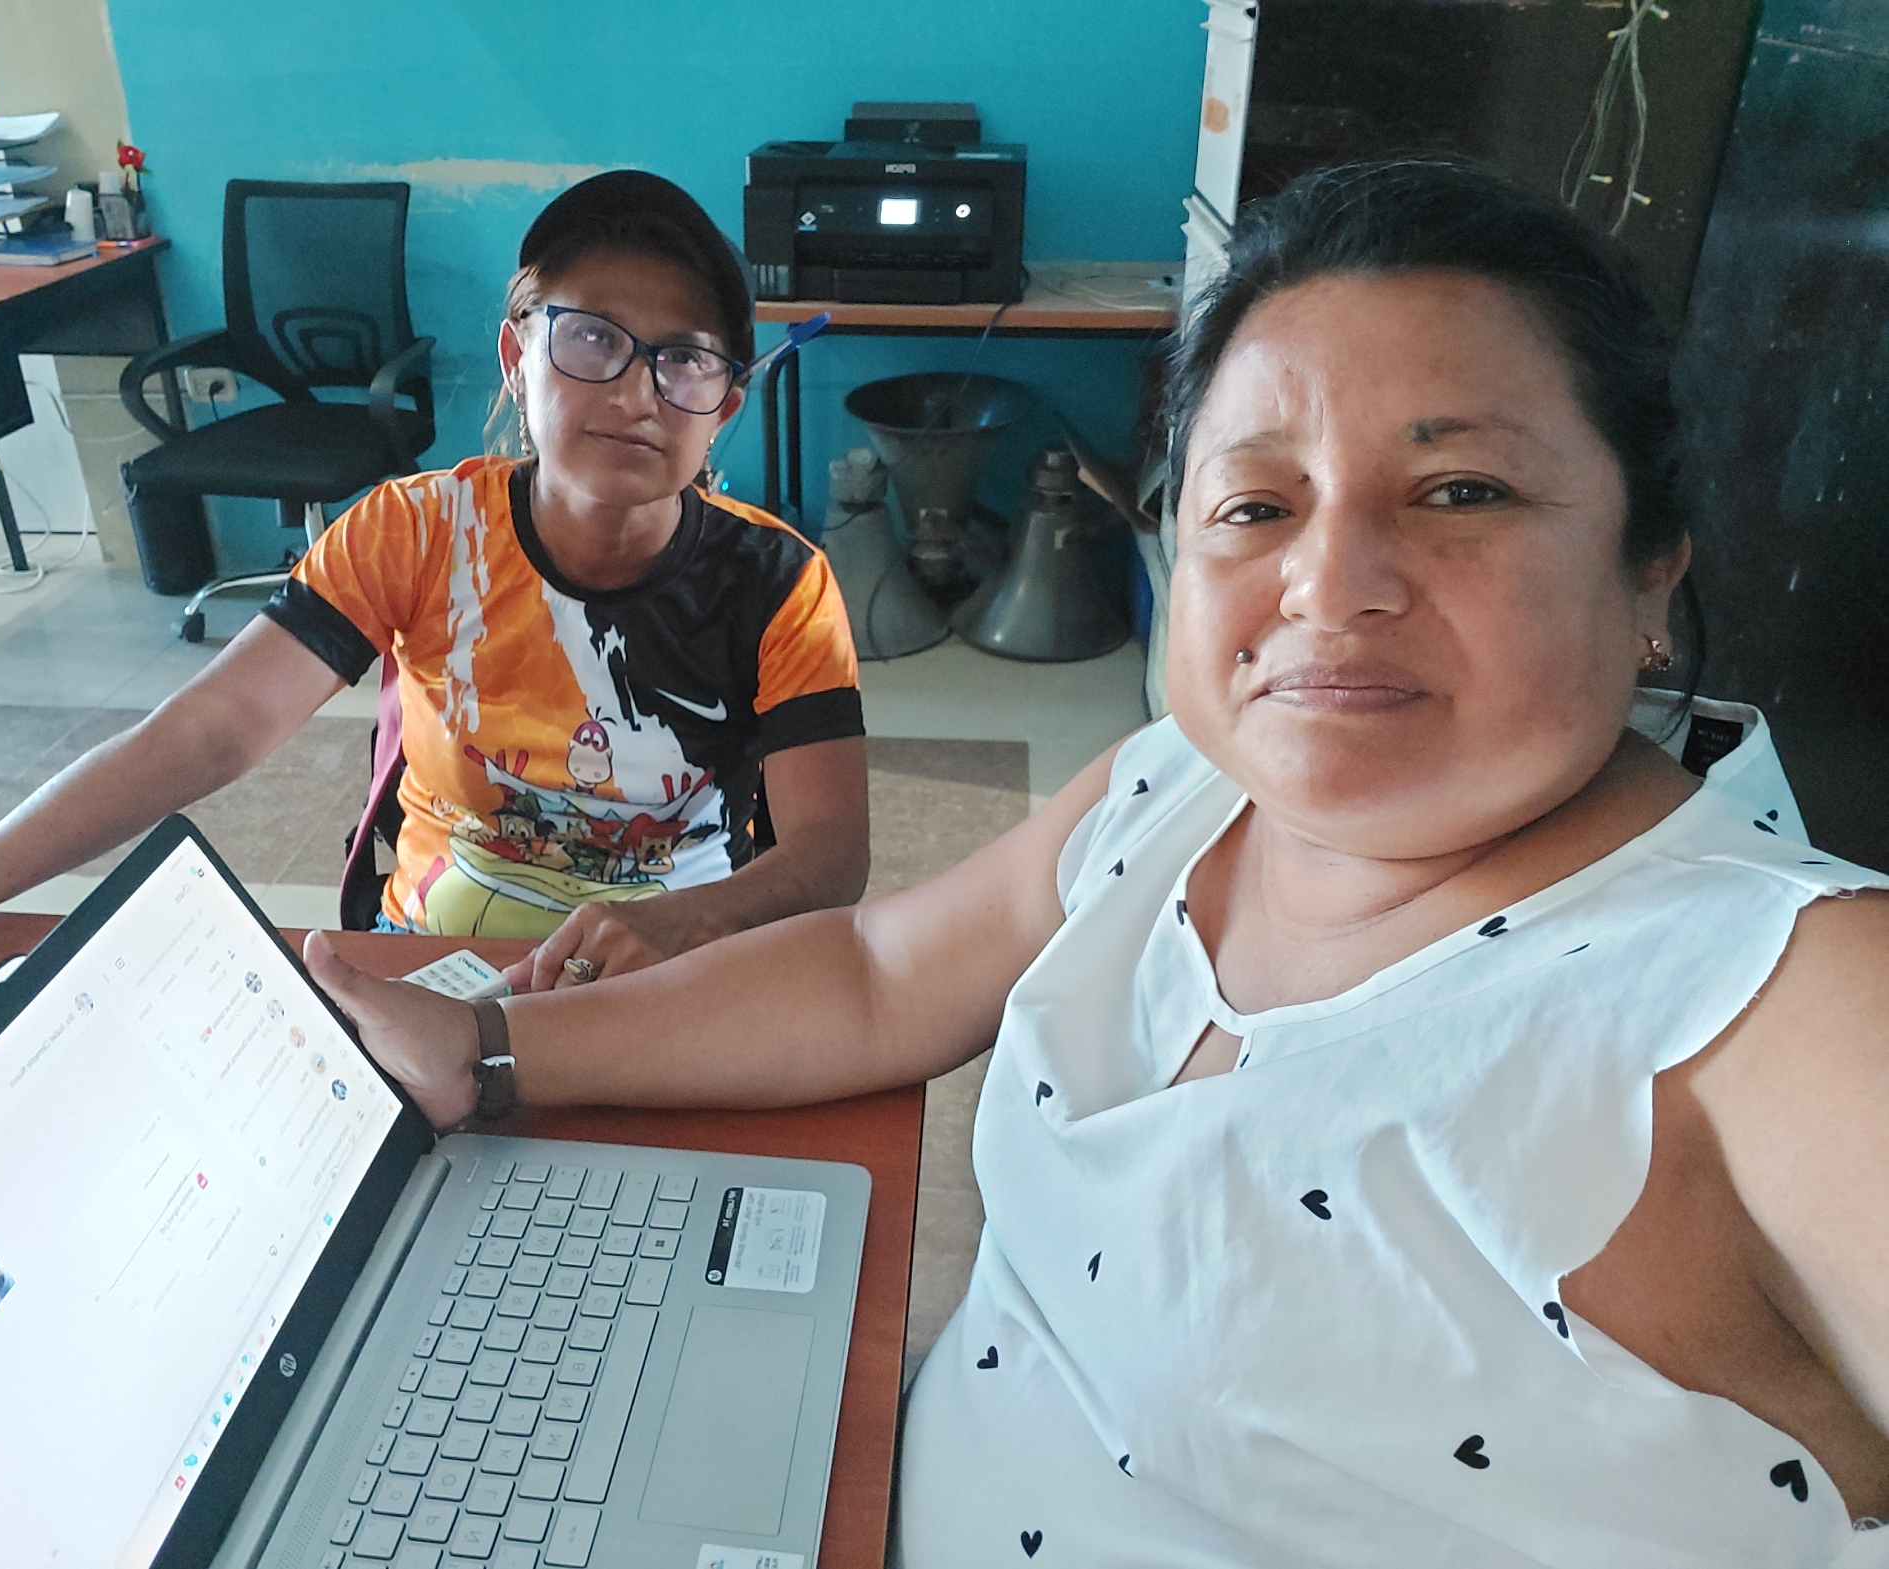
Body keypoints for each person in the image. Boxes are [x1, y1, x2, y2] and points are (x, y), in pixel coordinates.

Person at [299, 160, 1889, 1566]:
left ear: (1650, 569)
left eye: (1458, 490)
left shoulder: (1787, 994)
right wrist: (486, 1046)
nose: (1330, 582)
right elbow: (876, 974)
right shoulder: (1180, 788)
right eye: (1255, 503)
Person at [0, 170, 868, 1021]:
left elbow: (830, 853)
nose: (636, 391)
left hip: (668, 968)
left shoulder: (777, 581)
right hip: (438, 962)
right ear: (516, 356)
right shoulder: (417, 531)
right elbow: (207, 730)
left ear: (724, 405)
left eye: (683, 360)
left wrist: (690, 922)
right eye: (591, 337)